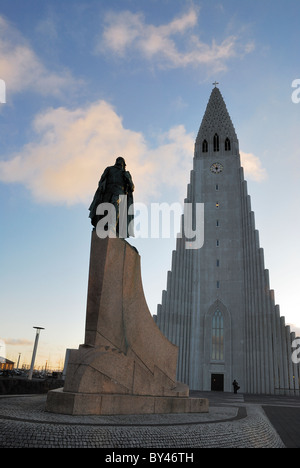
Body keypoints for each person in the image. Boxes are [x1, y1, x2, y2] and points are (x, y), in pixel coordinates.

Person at [89, 157, 134, 237]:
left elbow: (132, 187)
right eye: (118, 160)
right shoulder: (109, 169)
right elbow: (102, 180)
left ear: (124, 164)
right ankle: (103, 225)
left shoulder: (126, 173)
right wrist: (101, 188)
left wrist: (128, 179)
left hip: (120, 192)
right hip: (108, 190)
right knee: (105, 208)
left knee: (114, 206)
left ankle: (112, 225)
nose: (120, 162)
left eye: (121, 161)